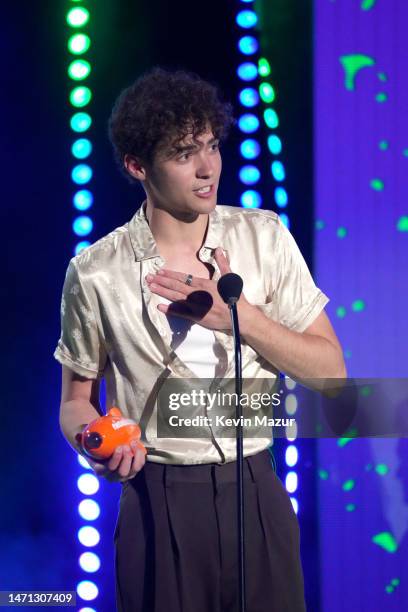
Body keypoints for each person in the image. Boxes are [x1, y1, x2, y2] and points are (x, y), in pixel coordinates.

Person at [55, 67, 346, 612]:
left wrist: (240, 320)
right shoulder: (95, 272)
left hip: (256, 490)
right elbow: (75, 402)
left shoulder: (264, 237)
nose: (208, 167)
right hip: (156, 499)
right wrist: (95, 442)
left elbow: (333, 377)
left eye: (212, 145)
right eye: (184, 153)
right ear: (137, 165)